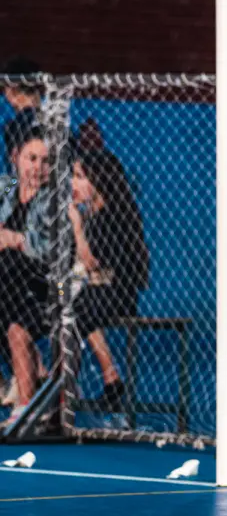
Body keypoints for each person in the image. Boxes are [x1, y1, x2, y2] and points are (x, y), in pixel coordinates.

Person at [69, 150, 150, 411]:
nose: (72, 183)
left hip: (115, 295)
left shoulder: (111, 217)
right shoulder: (93, 216)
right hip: (93, 293)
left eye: (79, 176)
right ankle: (109, 377)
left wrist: (77, 227)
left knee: (70, 306)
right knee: (61, 298)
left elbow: (91, 263)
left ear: (98, 181)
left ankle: (65, 386)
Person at [0, 116, 54, 426]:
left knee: (16, 323)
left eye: (45, 161)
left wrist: (17, 239)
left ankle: (26, 395)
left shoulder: (52, 200)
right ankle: (29, 375)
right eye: (31, 158)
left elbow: (53, 252)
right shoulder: (6, 187)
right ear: (15, 157)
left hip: (48, 286)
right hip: (10, 283)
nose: (37, 167)